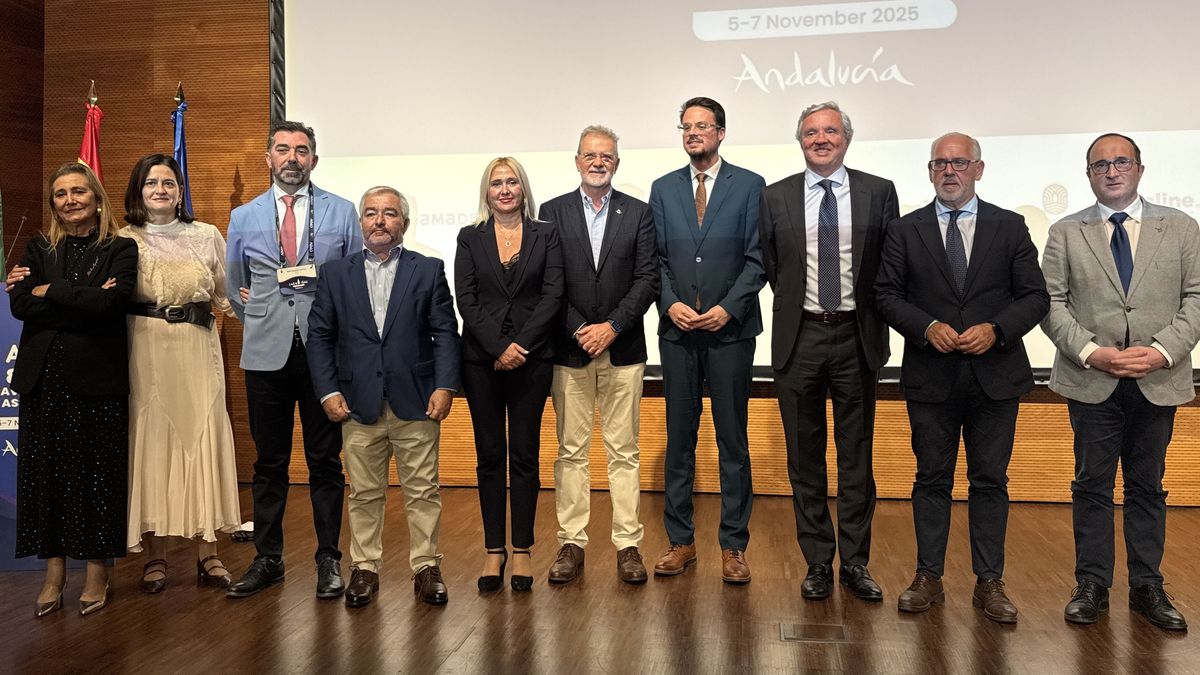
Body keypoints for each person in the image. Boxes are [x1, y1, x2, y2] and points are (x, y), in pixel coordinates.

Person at [875, 133, 1049, 623]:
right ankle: (927, 576)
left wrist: (997, 330)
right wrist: (926, 326)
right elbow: (885, 294)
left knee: (990, 480)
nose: (948, 171)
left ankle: (989, 582)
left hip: (996, 376)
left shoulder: (1009, 225)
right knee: (930, 478)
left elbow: (1035, 297)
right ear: (930, 171)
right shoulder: (904, 230)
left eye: (958, 162)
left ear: (979, 169)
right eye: (939, 163)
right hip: (931, 376)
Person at [1041, 133, 1200, 632]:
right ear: (1089, 174)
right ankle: (1091, 584)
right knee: (1092, 484)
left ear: (1140, 169)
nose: (1111, 171)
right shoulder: (1066, 232)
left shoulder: (1181, 227)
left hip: (1159, 377)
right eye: (1100, 165)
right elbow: (1050, 302)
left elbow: (1197, 297)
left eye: (1121, 162)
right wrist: (1092, 352)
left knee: (1147, 485)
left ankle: (1147, 586)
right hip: (1092, 378)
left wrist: (1161, 351)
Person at [758, 101, 898, 601]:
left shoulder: (879, 191)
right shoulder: (774, 196)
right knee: (805, 458)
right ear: (800, 140)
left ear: (846, 139)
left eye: (831, 131)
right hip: (800, 337)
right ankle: (818, 560)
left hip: (857, 337)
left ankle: (856, 563)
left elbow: (889, 264)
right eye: (811, 132)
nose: (821, 139)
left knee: (856, 456)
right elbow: (773, 266)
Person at [225, 121, 362, 599]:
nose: (292, 158)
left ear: (314, 160)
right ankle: (268, 558)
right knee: (269, 462)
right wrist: (264, 317)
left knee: (325, 461)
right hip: (266, 353)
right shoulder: (243, 216)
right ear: (268, 158)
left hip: (326, 353)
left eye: (301, 151)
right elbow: (235, 286)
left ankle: (329, 559)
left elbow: (354, 278)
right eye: (282, 149)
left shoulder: (342, 211)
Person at [307, 186, 460, 607]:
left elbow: (445, 332)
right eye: (371, 213)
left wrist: (445, 386)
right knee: (364, 493)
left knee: (423, 491)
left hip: (417, 400)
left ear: (404, 223)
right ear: (361, 223)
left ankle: (426, 567)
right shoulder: (335, 274)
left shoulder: (427, 269)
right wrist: (328, 391)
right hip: (357, 403)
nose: (380, 221)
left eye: (389, 213)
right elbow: (320, 337)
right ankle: (365, 568)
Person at [8, 162, 138, 616]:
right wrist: (79, 297)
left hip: (97, 380)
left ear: (96, 198)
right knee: (46, 476)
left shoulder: (120, 248)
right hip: (43, 379)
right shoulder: (38, 246)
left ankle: (98, 570)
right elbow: (20, 304)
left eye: (78, 191)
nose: (70, 200)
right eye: (61, 194)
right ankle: (54, 572)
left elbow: (111, 303)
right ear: (53, 204)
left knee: (97, 477)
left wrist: (50, 291)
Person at [650, 97, 764, 584]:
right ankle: (681, 541)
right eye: (686, 126)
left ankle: (734, 545)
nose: (693, 132)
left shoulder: (751, 185)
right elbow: (653, 259)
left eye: (702, 125)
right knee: (680, 440)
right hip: (677, 332)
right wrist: (668, 302)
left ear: (721, 132)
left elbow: (759, 258)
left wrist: (728, 308)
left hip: (730, 331)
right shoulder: (663, 188)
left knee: (732, 440)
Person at [538, 126, 658, 584]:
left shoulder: (639, 212)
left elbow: (647, 278)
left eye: (606, 156)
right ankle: (572, 542)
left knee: (624, 450)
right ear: (576, 161)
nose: (598, 162)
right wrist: (579, 328)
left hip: (623, 348)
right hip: (569, 350)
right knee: (570, 451)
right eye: (590, 155)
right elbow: (548, 281)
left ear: (617, 163)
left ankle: (628, 545)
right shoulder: (552, 212)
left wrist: (612, 326)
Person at [119, 154, 242, 592]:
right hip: (145, 348)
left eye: (168, 183)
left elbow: (229, 295)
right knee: (153, 444)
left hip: (196, 349)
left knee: (201, 438)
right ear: (138, 191)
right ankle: (156, 557)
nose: (160, 190)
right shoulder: (122, 239)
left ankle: (209, 553)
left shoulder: (206, 235)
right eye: (151, 183)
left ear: (180, 191)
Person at [455, 157, 563, 592]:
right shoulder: (469, 237)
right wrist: (498, 347)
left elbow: (553, 294)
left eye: (512, 182)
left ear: (523, 189)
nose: (504, 189)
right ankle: (493, 550)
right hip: (480, 360)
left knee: (523, 454)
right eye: (496, 183)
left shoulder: (546, 234)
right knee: (488, 456)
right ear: (487, 191)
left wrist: (519, 346)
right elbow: (466, 297)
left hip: (532, 359)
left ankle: (522, 550)